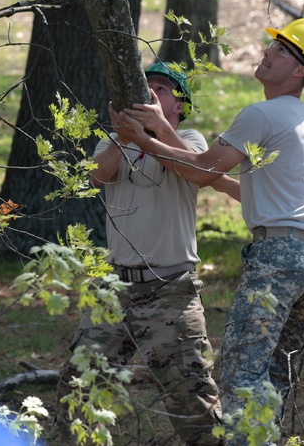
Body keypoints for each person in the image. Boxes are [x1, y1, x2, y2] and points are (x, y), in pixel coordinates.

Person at [111, 18, 304, 444]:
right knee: (276, 374)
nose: (268, 53)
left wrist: (141, 139)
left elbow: (199, 172)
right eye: (273, 45)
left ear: (300, 71)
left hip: (279, 260)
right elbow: (236, 185)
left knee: (242, 372)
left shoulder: (260, 115)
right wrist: (164, 130)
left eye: (283, 51)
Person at [56, 62, 236, 446]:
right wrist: (126, 135)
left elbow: (199, 171)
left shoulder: (189, 138)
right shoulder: (112, 141)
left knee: (192, 398)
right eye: (145, 87)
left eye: (162, 90)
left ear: (178, 105)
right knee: (79, 385)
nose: (150, 93)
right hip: (115, 288)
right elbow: (95, 177)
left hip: (171, 288)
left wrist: (154, 132)